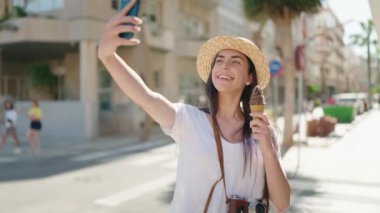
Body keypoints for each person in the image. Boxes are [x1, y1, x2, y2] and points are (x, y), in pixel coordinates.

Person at [97, 1, 290, 212]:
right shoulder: (188, 120)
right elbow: (146, 97)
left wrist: (269, 151)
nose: (224, 65)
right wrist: (108, 57)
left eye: (235, 61)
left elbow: (281, 203)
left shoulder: (263, 132)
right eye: (219, 60)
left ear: (248, 78)